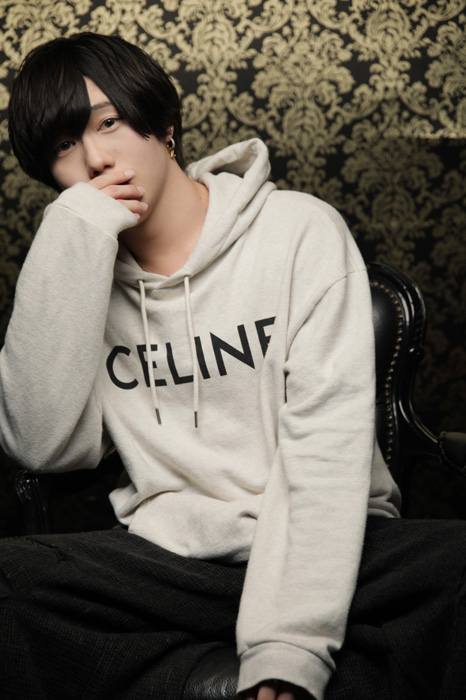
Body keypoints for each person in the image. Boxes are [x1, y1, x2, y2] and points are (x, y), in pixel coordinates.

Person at [0, 32, 465, 700]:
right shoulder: (79, 276)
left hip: (333, 545)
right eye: (64, 147)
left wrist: (287, 647)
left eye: (108, 123)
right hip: (174, 562)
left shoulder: (299, 231)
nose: (96, 159)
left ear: (164, 124)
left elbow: (324, 450)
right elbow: (41, 445)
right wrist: (71, 236)